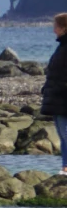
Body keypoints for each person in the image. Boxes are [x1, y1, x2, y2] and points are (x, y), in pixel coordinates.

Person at [46, 12, 67, 174]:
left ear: (64, 28)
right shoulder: (62, 46)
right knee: (63, 136)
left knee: (65, 134)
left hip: (62, 97)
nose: (54, 30)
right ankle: (65, 167)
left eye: (56, 27)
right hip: (57, 96)